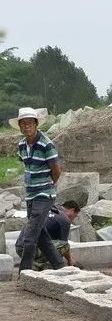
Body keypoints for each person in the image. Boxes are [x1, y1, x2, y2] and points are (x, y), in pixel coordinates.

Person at [11, 107, 65, 273]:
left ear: (35, 124)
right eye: (24, 124)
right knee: (41, 236)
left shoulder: (46, 144)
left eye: (30, 123)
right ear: (20, 126)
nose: (27, 127)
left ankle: (24, 273)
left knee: (29, 237)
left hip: (44, 194)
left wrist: (48, 185)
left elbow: (56, 170)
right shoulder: (22, 145)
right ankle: (59, 266)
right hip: (30, 195)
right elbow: (27, 166)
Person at [16, 200, 81, 271]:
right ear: (72, 210)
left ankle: (36, 262)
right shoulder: (64, 219)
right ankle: (38, 264)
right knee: (65, 246)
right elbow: (64, 245)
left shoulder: (46, 210)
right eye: (75, 216)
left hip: (19, 247)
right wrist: (70, 260)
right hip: (33, 250)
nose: (73, 219)